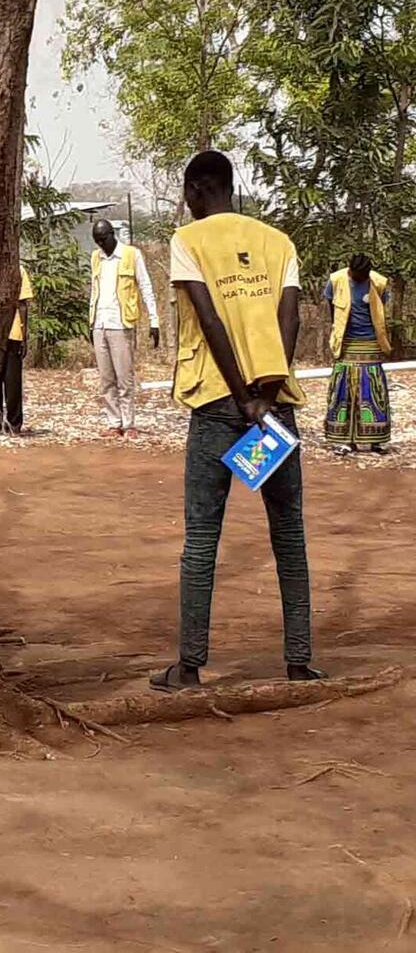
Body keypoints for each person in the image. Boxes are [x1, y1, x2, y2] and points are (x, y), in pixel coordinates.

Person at [151, 150, 323, 692]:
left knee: (202, 537)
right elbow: (288, 317)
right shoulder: (279, 242)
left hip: (217, 404)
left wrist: (244, 400)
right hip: (276, 408)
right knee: (288, 533)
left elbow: (209, 316)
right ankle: (298, 662)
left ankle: (190, 666)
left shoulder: (189, 241)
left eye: (186, 191)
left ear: (199, 188)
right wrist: (267, 396)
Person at [89, 220, 161, 439]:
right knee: (106, 379)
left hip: (121, 324)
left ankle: (129, 424)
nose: (102, 244)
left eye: (104, 238)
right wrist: (91, 320)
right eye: (98, 240)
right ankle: (114, 423)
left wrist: (154, 321)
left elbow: (146, 287)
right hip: (100, 323)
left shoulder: (131, 255)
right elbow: (94, 289)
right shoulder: (96, 257)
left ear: (113, 234)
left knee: (124, 377)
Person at [322, 254, 392, 455]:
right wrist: (337, 336)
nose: (358, 278)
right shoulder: (336, 281)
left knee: (373, 390)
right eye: (355, 274)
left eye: (362, 275)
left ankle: (375, 440)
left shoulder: (379, 283)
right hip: (346, 344)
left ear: (367, 273)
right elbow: (331, 310)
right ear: (350, 270)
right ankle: (344, 441)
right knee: (343, 391)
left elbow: (380, 313)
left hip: (370, 343)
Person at [0, 266, 34, 434]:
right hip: (5, 333)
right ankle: (10, 424)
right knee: (7, 381)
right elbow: (22, 305)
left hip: (4, 334)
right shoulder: (18, 269)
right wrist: (24, 335)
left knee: (0, 381)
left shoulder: (18, 270)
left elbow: (22, 305)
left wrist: (23, 335)